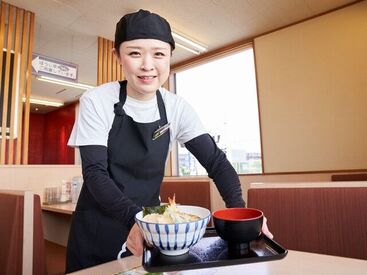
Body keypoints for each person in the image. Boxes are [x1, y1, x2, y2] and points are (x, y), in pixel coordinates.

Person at [66, 9, 272, 272]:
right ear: (117, 56)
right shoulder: (97, 100)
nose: (147, 65)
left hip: (152, 231)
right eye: (134, 53)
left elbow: (216, 162)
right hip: (97, 228)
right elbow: (95, 173)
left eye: (159, 54)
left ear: (170, 56)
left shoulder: (176, 108)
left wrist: (240, 215)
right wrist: (137, 219)